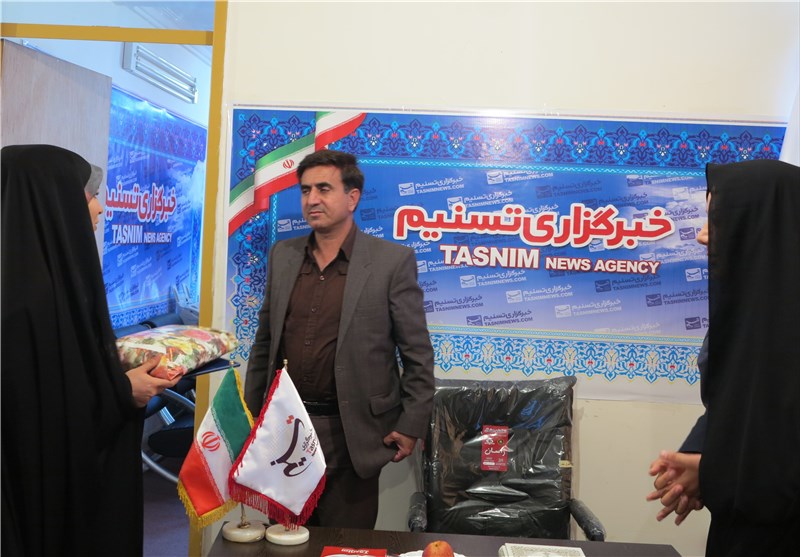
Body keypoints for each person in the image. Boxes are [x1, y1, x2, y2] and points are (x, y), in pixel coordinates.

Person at [1, 144, 180, 557]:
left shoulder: (44, 284)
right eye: (89, 194)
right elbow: (38, 429)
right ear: (54, 201)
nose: (100, 208)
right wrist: (123, 392)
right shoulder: (26, 306)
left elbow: (64, 387)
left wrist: (119, 380)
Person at [244, 149, 435, 529]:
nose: (312, 199)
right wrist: (252, 414)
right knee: (283, 541)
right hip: (285, 430)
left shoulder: (391, 262)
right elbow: (265, 342)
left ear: (352, 197)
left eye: (324, 189)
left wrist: (411, 424)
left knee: (346, 546)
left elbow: (417, 353)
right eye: (305, 190)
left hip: (353, 435)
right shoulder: (283, 256)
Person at [646, 159, 800, 556]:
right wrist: (700, 453)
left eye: (718, 218)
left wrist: (714, 469)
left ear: (766, 225)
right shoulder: (750, 310)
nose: (702, 236)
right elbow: (733, 402)